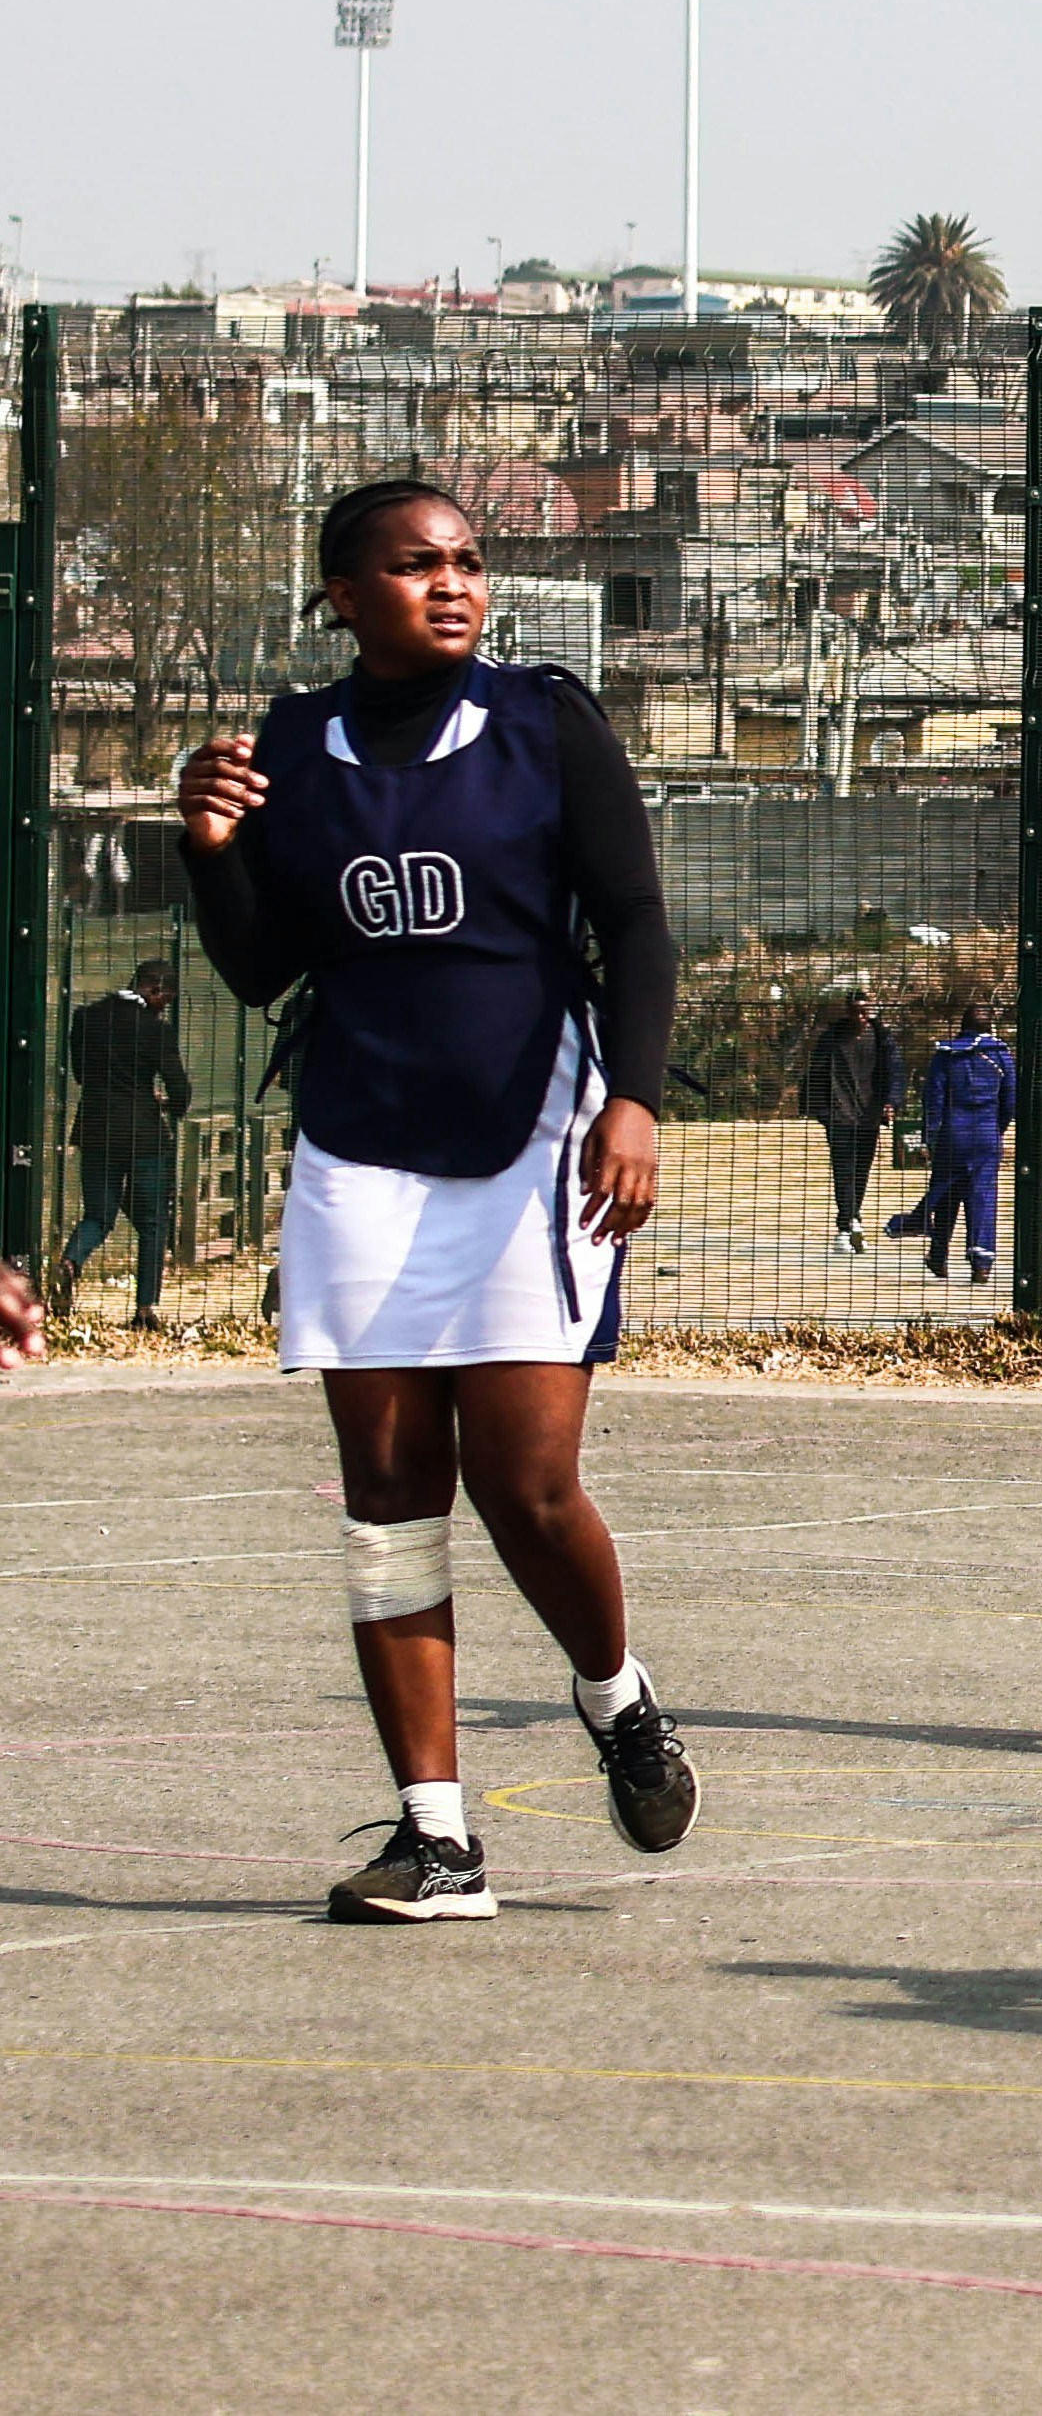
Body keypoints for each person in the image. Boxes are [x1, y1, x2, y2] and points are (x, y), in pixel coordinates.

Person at [173, 479, 699, 1922]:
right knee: (388, 1497)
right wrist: (206, 851)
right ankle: (437, 1834)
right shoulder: (291, 744)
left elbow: (639, 922)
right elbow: (258, 968)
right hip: (358, 1144)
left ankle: (617, 1695)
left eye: (467, 561)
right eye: (416, 566)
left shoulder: (544, 721)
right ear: (344, 595)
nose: (453, 584)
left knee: (523, 1483)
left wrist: (635, 1098)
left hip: (533, 1130)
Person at [65, 950, 190, 1326]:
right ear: (155, 990)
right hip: (143, 1136)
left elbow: (81, 1075)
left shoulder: (85, 1019)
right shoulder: (156, 1030)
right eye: (165, 1000)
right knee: (153, 1221)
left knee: (99, 1215)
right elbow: (180, 1090)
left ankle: (70, 1262)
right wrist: (167, 1104)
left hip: (95, 1130)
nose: (164, 1009)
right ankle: (145, 1308)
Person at [904, 996, 1014, 1284]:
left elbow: (934, 1098)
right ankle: (982, 1262)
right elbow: (1010, 1099)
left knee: (947, 1194)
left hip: (953, 1131)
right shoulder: (1001, 1054)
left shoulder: (947, 1054)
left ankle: (939, 1256)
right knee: (982, 1195)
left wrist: (930, 1136)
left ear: (961, 1025)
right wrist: (997, 1128)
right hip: (987, 1131)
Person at [798, 984, 901, 1258]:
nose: (861, 1018)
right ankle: (846, 1226)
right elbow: (815, 1071)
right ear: (848, 1011)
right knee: (843, 1169)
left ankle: (853, 1219)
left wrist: (891, 1102)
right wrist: (819, 1109)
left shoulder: (882, 1038)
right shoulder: (831, 1038)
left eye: (867, 1012)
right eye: (857, 1012)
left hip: (869, 1115)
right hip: (838, 1114)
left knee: (861, 1170)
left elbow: (894, 1072)